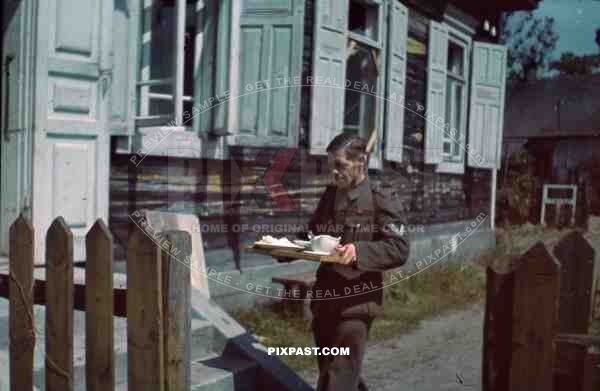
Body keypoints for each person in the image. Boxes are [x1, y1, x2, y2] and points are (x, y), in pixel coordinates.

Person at [303, 133, 410, 391]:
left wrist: (358, 252)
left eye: (340, 165)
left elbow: (399, 247)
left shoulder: (379, 196)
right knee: (335, 373)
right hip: (325, 299)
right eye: (331, 166)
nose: (334, 172)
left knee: (336, 380)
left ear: (361, 162)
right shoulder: (331, 194)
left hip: (356, 304)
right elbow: (314, 232)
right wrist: (285, 247)